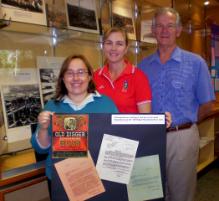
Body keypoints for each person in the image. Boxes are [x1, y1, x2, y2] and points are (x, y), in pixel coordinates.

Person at [138, 7, 215, 201]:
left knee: (181, 195)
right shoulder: (142, 66)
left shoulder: (196, 63)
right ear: (153, 31)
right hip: (150, 138)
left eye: (170, 26)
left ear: (179, 30)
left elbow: (207, 104)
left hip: (182, 138)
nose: (164, 31)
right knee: (151, 192)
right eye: (160, 26)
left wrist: (186, 123)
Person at [31, 54, 118, 185]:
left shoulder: (107, 104)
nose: (76, 78)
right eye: (70, 73)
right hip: (61, 180)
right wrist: (43, 128)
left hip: (98, 179)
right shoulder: (52, 106)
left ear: (89, 77)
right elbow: (40, 149)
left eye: (81, 72)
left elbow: (118, 142)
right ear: (63, 78)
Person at [94, 27, 152, 114]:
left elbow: (145, 119)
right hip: (101, 127)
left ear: (126, 48)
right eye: (109, 43)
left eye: (119, 44)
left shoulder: (139, 77)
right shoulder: (95, 76)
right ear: (103, 46)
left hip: (130, 128)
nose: (113, 48)